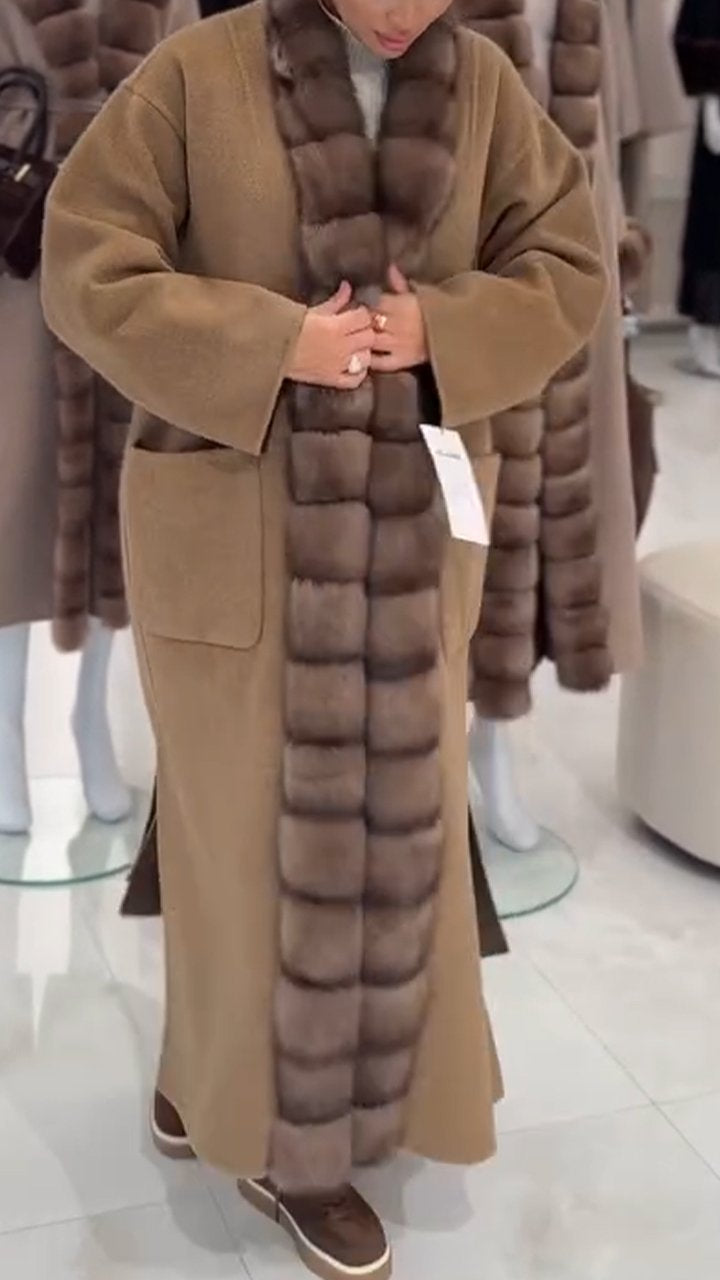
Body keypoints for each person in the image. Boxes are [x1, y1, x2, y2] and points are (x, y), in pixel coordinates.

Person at [41, 1, 605, 1275]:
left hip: (410, 546)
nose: (409, 10)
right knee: (238, 829)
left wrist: (445, 327)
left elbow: (570, 259)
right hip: (232, 532)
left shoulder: (483, 84)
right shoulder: (198, 73)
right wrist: (270, 342)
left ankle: (217, 1079)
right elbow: (86, 264)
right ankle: (288, 1145)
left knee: (397, 830)